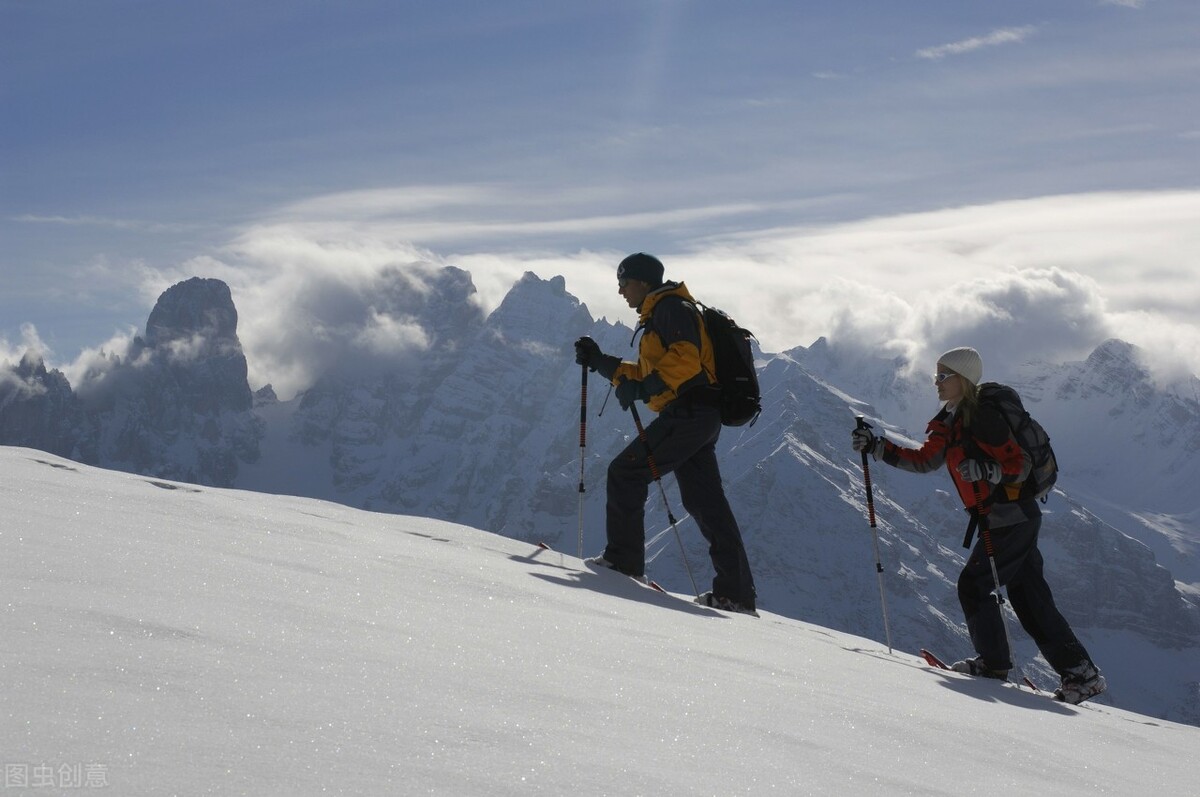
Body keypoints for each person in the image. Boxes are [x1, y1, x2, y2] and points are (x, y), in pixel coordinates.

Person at [851, 346, 1106, 704]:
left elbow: (1019, 466)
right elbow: (926, 461)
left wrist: (988, 470)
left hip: (1011, 517)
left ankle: (995, 666)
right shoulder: (951, 419)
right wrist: (878, 447)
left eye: (944, 376)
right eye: (935, 375)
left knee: (974, 586)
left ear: (963, 379)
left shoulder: (984, 417)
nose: (937, 382)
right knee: (1030, 598)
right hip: (1003, 518)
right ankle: (1081, 673)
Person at [574, 253, 757, 614]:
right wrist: (600, 362)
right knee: (706, 503)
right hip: (700, 415)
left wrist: (642, 390)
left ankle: (624, 561)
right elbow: (647, 374)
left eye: (624, 282)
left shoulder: (670, 308)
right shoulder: (665, 311)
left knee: (626, 472)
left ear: (643, 282)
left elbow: (684, 361)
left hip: (688, 413)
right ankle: (736, 594)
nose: (620, 290)